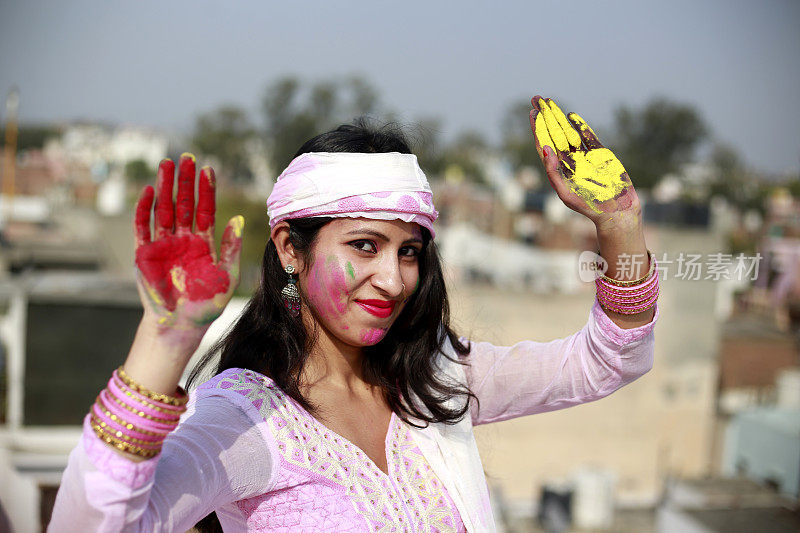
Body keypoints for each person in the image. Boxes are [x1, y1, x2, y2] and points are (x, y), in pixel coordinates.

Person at [49, 96, 659, 532]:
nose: (393, 280)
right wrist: (166, 340)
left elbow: (605, 361)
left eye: (409, 252)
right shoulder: (248, 418)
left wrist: (621, 223)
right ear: (291, 248)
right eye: (364, 246)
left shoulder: (434, 379)